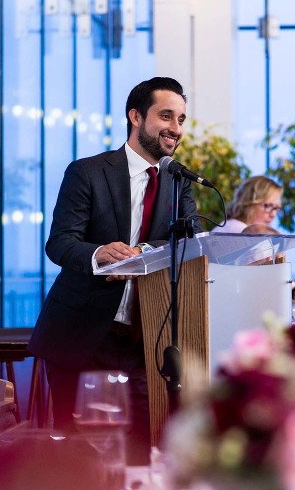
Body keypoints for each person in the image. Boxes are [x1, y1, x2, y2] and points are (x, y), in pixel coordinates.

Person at [27, 77, 201, 464]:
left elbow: (190, 243)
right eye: (166, 115)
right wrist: (99, 253)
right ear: (135, 116)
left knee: (140, 453)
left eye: (182, 118)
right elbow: (60, 243)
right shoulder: (88, 171)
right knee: (74, 459)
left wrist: (140, 253)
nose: (176, 127)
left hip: (144, 340)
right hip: (84, 336)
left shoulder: (178, 182)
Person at [212, 176, 282, 233]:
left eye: (276, 208)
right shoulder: (241, 232)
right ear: (249, 203)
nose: (273, 214)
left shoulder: (228, 226)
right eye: (268, 206)